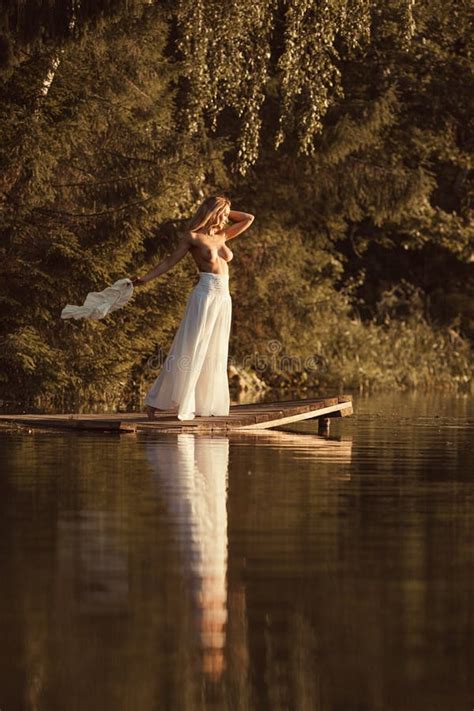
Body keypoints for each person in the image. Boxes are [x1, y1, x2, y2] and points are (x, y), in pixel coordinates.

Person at [130, 195, 254, 421]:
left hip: (223, 297)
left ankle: (202, 404)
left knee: (214, 351)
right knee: (191, 347)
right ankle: (155, 403)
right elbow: (169, 262)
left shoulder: (222, 236)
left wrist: (226, 207)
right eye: (223, 214)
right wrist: (145, 279)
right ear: (213, 212)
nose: (227, 218)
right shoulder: (193, 238)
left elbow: (248, 218)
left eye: (227, 215)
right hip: (205, 295)